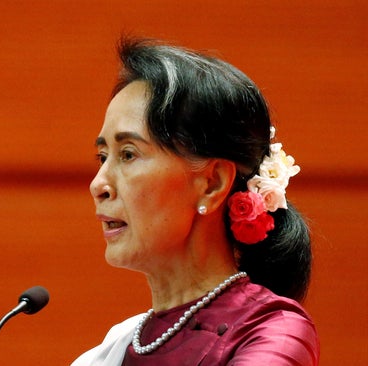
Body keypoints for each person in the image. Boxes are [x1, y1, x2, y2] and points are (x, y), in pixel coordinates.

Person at [71, 38, 319, 365]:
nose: (98, 184)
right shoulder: (116, 346)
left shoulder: (271, 332)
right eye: (103, 156)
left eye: (128, 154)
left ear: (211, 183)